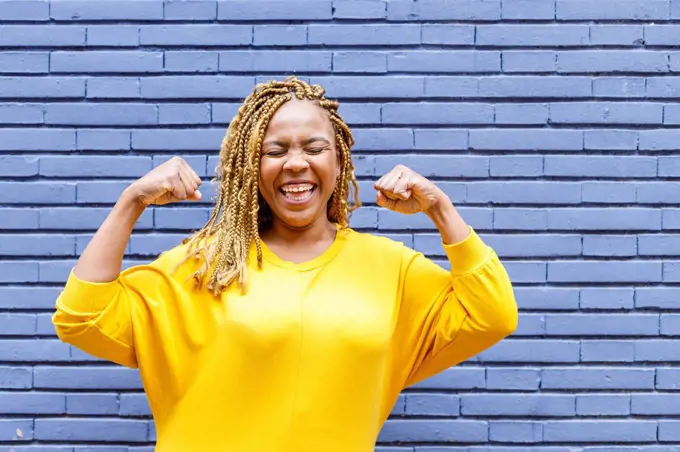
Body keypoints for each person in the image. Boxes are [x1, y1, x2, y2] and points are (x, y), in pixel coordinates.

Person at [52, 76, 517, 451]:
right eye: (275, 151)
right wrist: (130, 202)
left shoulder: (391, 268)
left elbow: (492, 315)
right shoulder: (208, 264)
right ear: (250, 169)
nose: (296, 163)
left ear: (339, 164)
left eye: (314, 148)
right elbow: (81, 317)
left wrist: (441, 209)